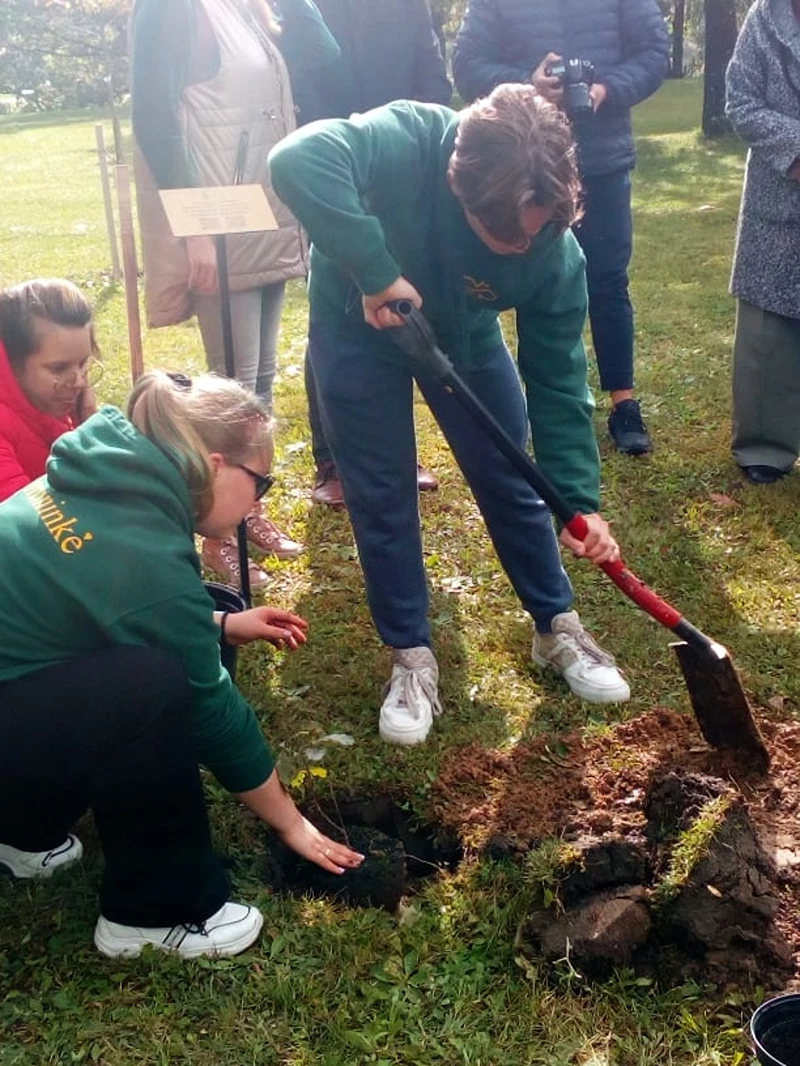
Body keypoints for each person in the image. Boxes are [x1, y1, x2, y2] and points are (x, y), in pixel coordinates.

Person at [269, 84, 631, 748]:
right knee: (381, 493)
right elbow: (296, 159)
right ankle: (412, 656)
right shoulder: (409, 139)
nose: (522, 250)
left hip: (464, 341)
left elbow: (557, 380)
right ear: (457, 189)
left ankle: (556, 629)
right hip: (356, 328)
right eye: (504, 237)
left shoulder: (552, 250)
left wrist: (578, 499)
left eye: (537, 232)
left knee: (510, 477)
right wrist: (376, 272)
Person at [0, 371, 363, 959]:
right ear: (216, 464)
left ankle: (21, 829)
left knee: (189, 628)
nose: (260, 502)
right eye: (260, 482)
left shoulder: (109, 480)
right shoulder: (137, 550)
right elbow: (210, 704)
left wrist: (216, 624)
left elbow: (95, 605)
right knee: (152, 687)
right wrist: (292, 822)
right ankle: (155, 913)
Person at [130, 0, 341, 586]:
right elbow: (154, 119)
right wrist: (192, 229)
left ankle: (248, 512)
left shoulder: (246, 9)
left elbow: (323, 52)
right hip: (216, 222)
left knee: (259, 383)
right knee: (232, 386)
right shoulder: (169, 11)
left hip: (263, 211)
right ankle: (220, 536)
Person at [452, 0, 669, 456]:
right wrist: (525, 85)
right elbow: (467, 65)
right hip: (518, 168)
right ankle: (526, 408)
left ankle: (623, 403)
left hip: (602, 159)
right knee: (523, 275)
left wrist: (605, 89)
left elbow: (654, 51)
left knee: (608, 280)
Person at [291, 0, 453, 509]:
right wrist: (341, 164)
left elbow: (433, 79)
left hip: (402, 165)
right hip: (333, 166)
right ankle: (334, 458)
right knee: (337, 304)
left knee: (400, 301)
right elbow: (303, 80)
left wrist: (412, 155)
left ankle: (398, 452)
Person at [725, 0, 800, 485]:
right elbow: (740, 101)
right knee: (767, 330)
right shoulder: (763, 17)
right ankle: (764, 444)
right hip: (780, 186)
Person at [0, 278, 99, 504]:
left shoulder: (60, 400)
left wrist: (91, 420)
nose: (79, 383)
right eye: (59, 368)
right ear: (12, 362)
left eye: (83, 363)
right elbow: (28, 526)